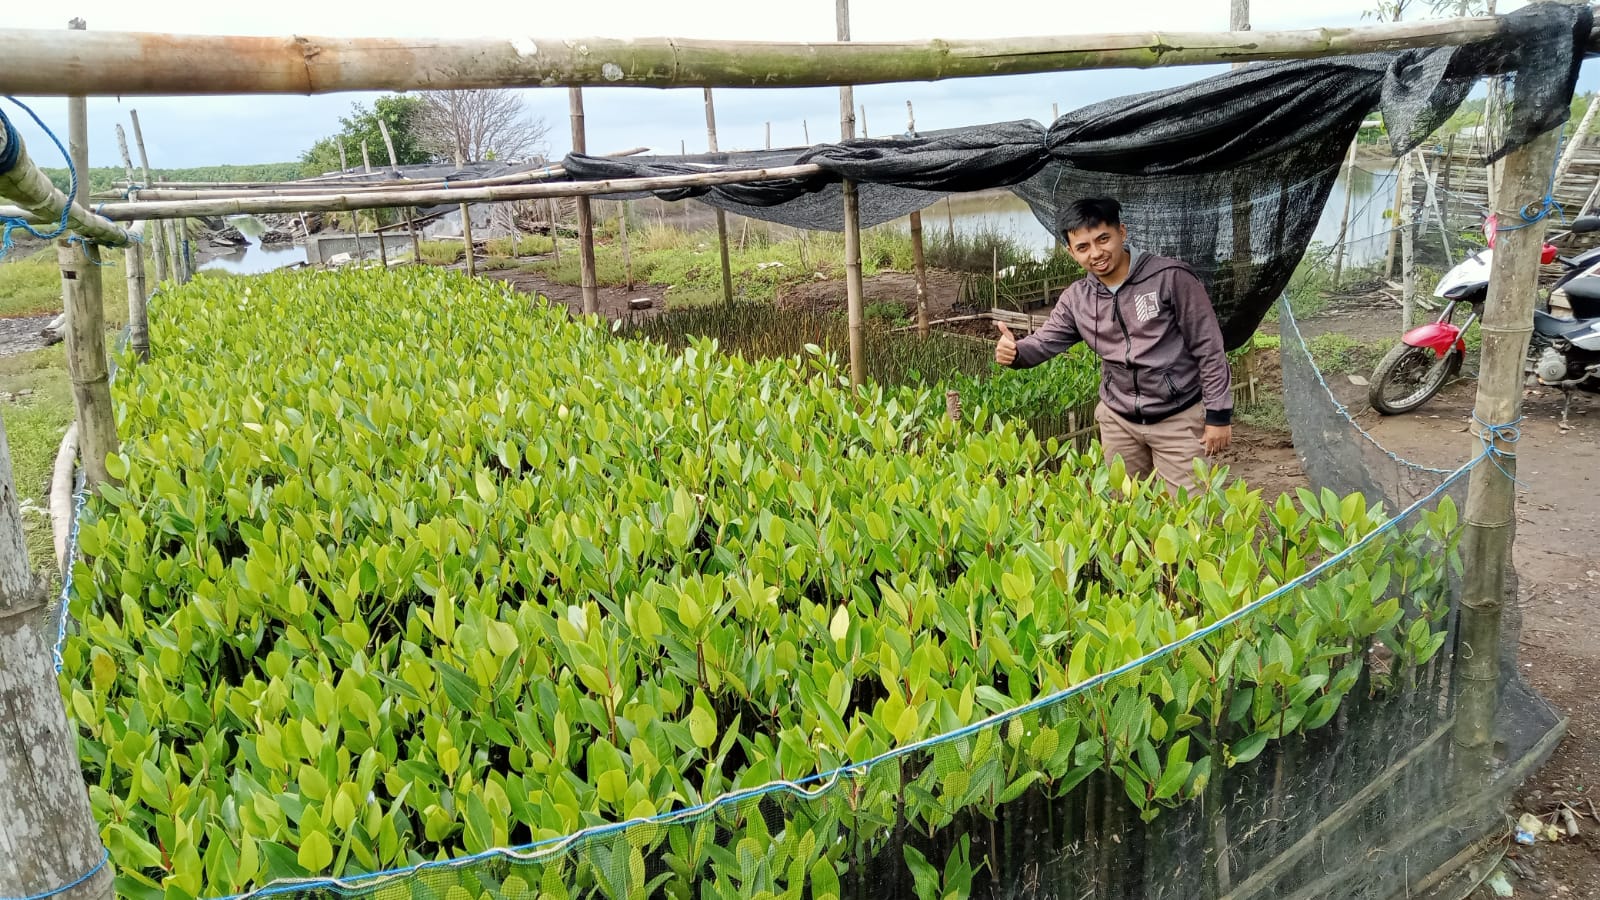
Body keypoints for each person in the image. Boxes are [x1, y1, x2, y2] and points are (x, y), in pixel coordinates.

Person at [994, 197, 1232, 493]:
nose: (1096, 253)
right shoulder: (1077, 298)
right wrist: (1016, 352)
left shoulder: (1170, 278)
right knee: (1127, 511)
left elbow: (1209, 348)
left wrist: (1218, 416)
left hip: (1178, 418)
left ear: (1122, 232)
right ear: (1071, 252)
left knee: (1188, 515)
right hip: (1118, 421)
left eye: (1103, 239)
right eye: (1083, 247)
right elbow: (1045, 341)